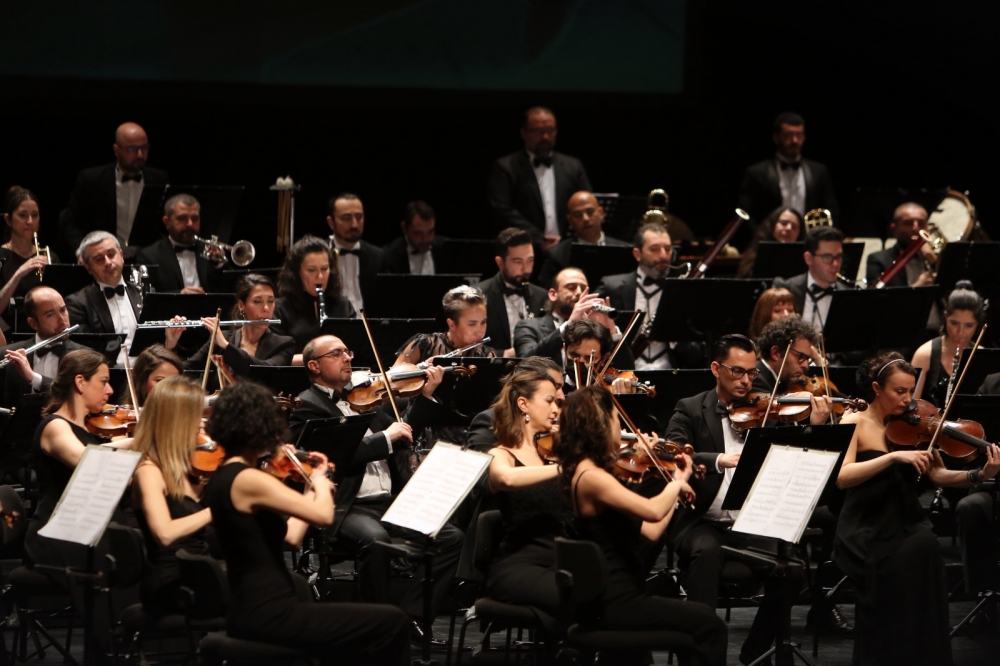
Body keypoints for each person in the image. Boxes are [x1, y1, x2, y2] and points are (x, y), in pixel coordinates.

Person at [203, 381, 410, 664]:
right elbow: (324, 516)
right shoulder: (247, 478)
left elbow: (292, 537)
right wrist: (320, 481)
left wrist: (309, 488)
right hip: (270, 612)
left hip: (253, 607)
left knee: (374, 628)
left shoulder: (225, 475)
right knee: (393, 622)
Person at [288, 334, 456, 646]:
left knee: (450, 537)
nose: (347, 358)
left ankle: (412, 617)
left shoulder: (364, 398)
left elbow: (403, 433)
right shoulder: (306, 406)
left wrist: (425, 396)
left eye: (347, 351)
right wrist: (384, 438)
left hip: (388, 502)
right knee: (376, 542)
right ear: (314, 366)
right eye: (336, 354)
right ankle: (376, 626)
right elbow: (331, 456)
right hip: (347, 507)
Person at [834, 353, 1000, 665]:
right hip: (868, 526)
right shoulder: (854, 421)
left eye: (911, 391)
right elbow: (842, 477)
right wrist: (893, 457)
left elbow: (938, 475)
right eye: (900, 391)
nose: (908, 399)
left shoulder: (912, 426)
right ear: (876, 388)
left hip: (906, 519)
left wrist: (979, 474)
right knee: (909, 560)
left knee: (926, 547)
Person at [553, 385, 728, 666]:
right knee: (711, 625)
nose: (622, 428)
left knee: (700, 624)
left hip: (619, 596)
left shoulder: (591, 471)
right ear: (599, 423)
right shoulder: (592, 476)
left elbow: (652, 529)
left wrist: (675, 481)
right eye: (616, 419)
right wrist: (677, 486)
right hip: (616, 601)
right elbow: (652, 510)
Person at [665, 334, 787, 664]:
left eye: (751, 372)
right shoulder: (690, 408)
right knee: (706, 554)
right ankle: (703, 656)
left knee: (791, 571)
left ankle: (756, 650)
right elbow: (673, 453)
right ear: (716, 369)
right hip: (702, 521)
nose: (746, 380)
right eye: (737, 371)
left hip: (750, 522)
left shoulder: (765, 411)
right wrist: (720, 459)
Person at [25, 349, 132, 567]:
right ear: (80, 382)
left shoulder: (97, 427)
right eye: (104, 382)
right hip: (58, 537)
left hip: (88, 529)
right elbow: (86, 460)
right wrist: (138, 441)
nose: (110, 390)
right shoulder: (54, 426)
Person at [484, 358, 569, 622]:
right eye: (549, 401)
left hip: (564, 562)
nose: (556, 409)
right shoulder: (500, 454)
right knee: (574, 600)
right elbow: (506, 478)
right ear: (524, 404)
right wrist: (565, 469)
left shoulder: (557, 451)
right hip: (519, 566)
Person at [131, 375, 214, 615]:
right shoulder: (149, 471)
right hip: (172, 586)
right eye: (196, 417)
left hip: (201, 572)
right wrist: (216, 510)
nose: (202, 424)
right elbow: (165, 533)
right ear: (177, 421)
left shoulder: (191, 466)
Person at [57, 122, 170, 259]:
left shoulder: (159, 179)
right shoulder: (92, 179)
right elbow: (70, 223)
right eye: (132, 148)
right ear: (116, 150)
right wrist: (82, 253)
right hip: (102, 259)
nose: (140, 154)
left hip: (146, 259)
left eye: (144, 148)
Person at [488, 106, 592, 249]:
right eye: (538, 131)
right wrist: (538, 238)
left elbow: (587, 203)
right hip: (523, 247)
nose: (545, 137)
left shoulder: (573, 166)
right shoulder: (506, 167)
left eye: (550, 130)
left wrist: (566, 240)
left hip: (567, 247)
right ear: (524, 133)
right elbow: (502, 210)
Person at [168, 274, 294, 381]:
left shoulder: (284, 345)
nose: (266, 308)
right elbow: (183, 371)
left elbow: (262, 372)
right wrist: (171, 345)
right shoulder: (222, 339)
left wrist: (226, 346)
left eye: (270, 301)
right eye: (257, 301)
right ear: (241, 305)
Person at [736, 112, 838, 230]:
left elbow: (832, 210)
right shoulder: (757, 173)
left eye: (799, 135)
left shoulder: (819, 171)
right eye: (788, 135)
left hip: (808, 239)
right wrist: (761, 236)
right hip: (769, 239)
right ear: (776, 137)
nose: (795, 140)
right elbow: (744, 213)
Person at [600, 222, 676, 370]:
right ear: (637, 254)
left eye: (667, 249)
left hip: (671, 372)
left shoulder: (679, 290)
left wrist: (673, 335)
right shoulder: (612, 287)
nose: (663, 255)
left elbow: (695, 349)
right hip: (625, 373)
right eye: (654, 249)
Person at [1, 286, 87, 410]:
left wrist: (33, 378)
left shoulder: (85, 357)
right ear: (33, 323)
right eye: (50, 314)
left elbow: (75, 397)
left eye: (63, 310)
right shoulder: (5, 355)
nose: (62, 320)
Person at [272, 235, 354, 362]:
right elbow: (276, 358)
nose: (320, 276)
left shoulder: (343, 305)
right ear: (297, 272)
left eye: (324, 269)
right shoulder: (280, 309)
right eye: (311, 270)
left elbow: (355, 349)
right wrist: (319, 357)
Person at [513, 267, 620, 365]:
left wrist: (612, 332)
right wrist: (569, 324)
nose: (579, 292)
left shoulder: (594, 330)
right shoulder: (528, 326)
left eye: (583, 288)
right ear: (553, 294)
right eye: (571, 287)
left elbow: (624, 369)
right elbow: (525, 362)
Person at [65, 231, 141, 367]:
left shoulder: (143, 293)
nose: (108, 262)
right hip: (108, 376)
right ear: (88, 267)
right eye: (99, 259)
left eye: (111, 254)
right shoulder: (77, 303)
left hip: (147, 373)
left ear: (121, 256)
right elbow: (84, 353)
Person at [910, 281, 984, 404]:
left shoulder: (982, 356)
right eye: (954, 323)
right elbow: (911, 404)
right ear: (945, 317)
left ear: (978, 324)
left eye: (969, 325)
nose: (960, 332)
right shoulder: (924, 354)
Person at [538, 191, 631, 287]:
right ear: (570, 220)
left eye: (590, 212)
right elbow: (548, 291)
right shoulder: (556, 255)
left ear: (601, 213)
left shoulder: (626, 250)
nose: (585, 218)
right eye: (577, 215)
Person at [479, 228, 548, 355]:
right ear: (500, 263)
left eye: (530, 260)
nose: (526, 269)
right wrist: (504, 354)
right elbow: (468, 347)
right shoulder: (479, 296)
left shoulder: (542, 296)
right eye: (518, 262)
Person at [753, 317, 833, 423]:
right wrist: (815, 426)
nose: (806, 366)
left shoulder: (785, 383)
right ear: (775, 353)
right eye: (800, 357)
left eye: (807, 359)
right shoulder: (756, 381)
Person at [136, 193, 220, 293]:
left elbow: (230, 288)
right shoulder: (149, 256)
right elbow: (144, 295)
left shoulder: (211, 252)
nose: (190, 224)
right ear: (167, 222)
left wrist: (220, 264)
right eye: (182, 218)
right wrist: (179, 295)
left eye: (195, 218)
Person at [0, 186, 60, 328]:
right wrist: (19, 273)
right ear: (8, 219)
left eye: (35, 215)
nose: (30, 221)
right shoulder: (1, 256)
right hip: (9, 332)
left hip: (46, 330)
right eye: (23, 215)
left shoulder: (50, 257)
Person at [395, 285, 498, 366]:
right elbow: (390, 381)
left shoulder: (486, 355)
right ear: (451, 324)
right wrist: (420, 371)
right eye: (472, 324)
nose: (480, 331)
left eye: (483, 322)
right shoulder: (424, 345)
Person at [773, 226, 849, 333]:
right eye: (827, 257)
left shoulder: (847, 296)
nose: (835, 264)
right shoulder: (787, 289)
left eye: (839, 257)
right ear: (808, 258)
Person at [326, 193, 382, 313]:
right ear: (331, 222)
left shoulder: (378, 256)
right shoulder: (320, 255)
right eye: (346, 218)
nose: (354, 224)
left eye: (359, 217)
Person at [865, 202, 936, 288]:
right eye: (908, 223)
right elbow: (875, 295)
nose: (916, 228)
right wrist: (917, 287)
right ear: (894, 228)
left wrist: (935, 262)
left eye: (921, 223)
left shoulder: (936, 258)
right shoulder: (878, 259)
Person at [379, 200, 446, 275]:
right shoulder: (388, 256)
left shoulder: (446, 249)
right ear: (404, 228)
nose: (426, 239)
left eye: (430, 232)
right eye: (418, 233)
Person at [735, 206, 805, 278]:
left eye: (794, 227)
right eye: (784, 223)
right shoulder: (755, 254)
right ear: (772, 225)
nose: (789, 228)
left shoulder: (805, 259)